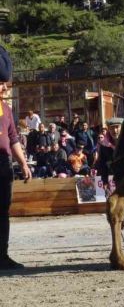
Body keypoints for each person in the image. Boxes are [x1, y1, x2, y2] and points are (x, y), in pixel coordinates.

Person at [0, 46, 32, 269]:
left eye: (6, 85)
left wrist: (22, 163)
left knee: (2, 211)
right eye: (1, 84)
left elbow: (13, 138)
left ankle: (2, 255)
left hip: (2, 166)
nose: (4, 88)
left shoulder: (5, 109)